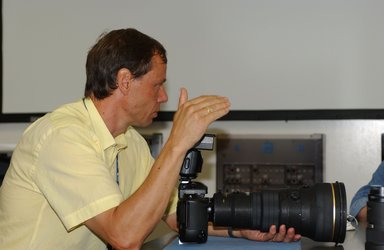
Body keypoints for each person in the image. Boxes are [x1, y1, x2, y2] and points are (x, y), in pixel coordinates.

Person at [0, 28, 301, 249]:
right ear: (125, 81)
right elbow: (124, 237)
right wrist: (176, 144)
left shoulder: (130, 142)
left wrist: (241, 231)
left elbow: (174, 217)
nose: (164, 96)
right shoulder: (62, 137)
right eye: (157, 85)